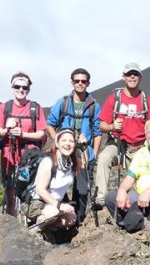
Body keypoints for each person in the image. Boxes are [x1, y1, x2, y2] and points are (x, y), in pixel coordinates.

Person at [94, 62, 150, 208]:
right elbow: (101, 124)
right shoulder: (114, 98)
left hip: (139, 147)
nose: (132, 76)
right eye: (129, 74)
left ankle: (139, 200)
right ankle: (100, 198)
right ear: (123, 77)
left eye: (135, 74)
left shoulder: (146, 100)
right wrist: (112, 126)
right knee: (104, 158)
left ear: (140, 77)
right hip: (117, 144)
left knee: (142, 173)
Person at [46, 68, 102, 224]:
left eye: (83, 81)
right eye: (77, 81)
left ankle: (78, 221)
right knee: (57, 186)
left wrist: (94, 154)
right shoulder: (62, 103)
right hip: (63, 153)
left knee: (82, 190)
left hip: (83, 153)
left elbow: (98, 132)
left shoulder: (94, 106)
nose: (80, 84)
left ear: (88, 83)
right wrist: (58, 141)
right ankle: (59, 218)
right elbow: (50, 124)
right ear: (72, 82)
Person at [0, 72, 47, 217]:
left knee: (30, 193)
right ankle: (12, 227)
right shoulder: (5, 107)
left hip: (30, 157)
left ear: (28, 89)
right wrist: (6, 130)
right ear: (12, 88)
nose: (21, 89)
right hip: (9, 155)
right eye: (17, 86)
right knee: (10, 195)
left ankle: (29, 224)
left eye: (25, 87)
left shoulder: (36, 108)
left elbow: (41, 134)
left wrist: (22, 134)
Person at [21, 128, 80, 237]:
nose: (67, 144)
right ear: (57, 143)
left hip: (52, 203)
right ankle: (34, 230)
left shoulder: (70, 164)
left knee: (71, 218)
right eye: (64, 140)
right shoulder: (49, 162)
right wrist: (59, 205)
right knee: (53, 213)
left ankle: (47, 229)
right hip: (35, 202)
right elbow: (40, 190)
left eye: (71, 141)